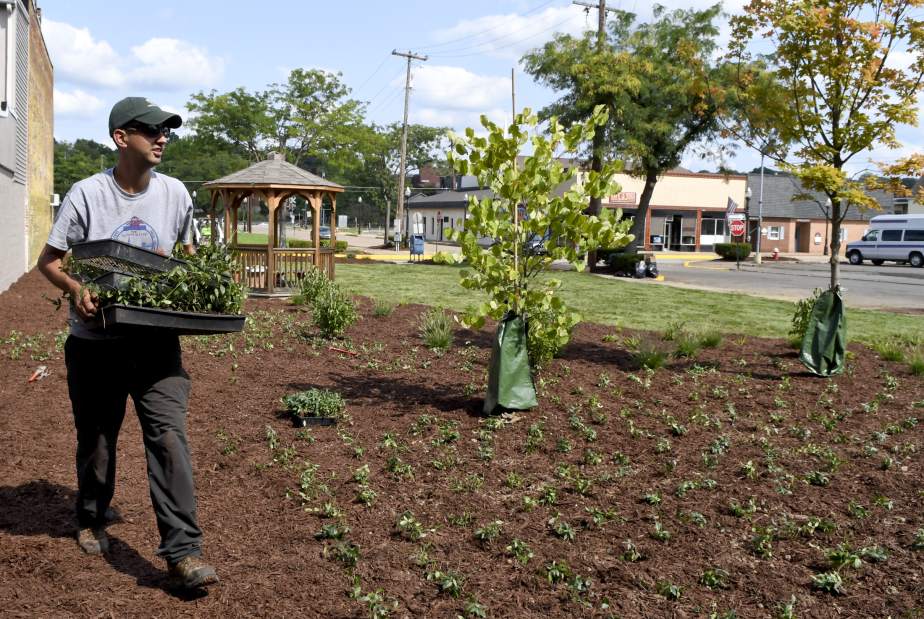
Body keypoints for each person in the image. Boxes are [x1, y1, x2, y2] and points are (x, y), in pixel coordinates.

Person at [36, 97, 219, 591]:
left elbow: (189, 259)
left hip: (156, 343)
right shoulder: (88, 195)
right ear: (121, 137)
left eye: (167, 131)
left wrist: (205, 291)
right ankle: (91, 515)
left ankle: (183, 552)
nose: (163, 138)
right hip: (95, 343)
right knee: (97, 439)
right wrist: (77, 289)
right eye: (152, 130)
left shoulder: (176, 194)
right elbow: (49, 261)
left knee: (168, 437)